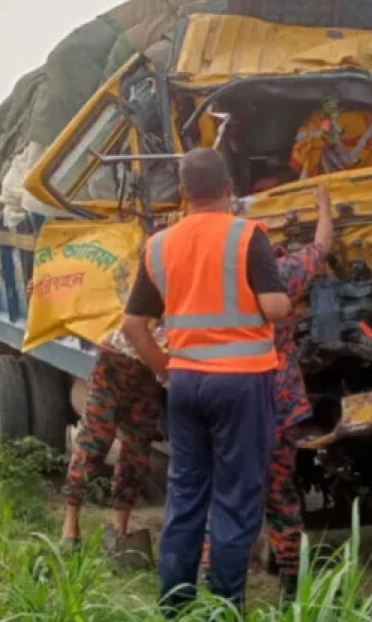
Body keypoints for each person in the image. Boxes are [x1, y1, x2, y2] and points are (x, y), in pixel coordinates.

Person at [122, 146, 291, 613]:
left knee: (184, 495)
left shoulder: (159, 245)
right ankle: (224, 609)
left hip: (186, 382)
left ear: (183, 192)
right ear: (229, 189)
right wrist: (284, 301)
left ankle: (174, 607)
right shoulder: (246, 236)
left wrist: (165, 368)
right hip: (242, 383)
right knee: (235, 499)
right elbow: (274, 306)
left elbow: (133, 326)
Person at [266, 185, 334, 601]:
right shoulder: (282, 274)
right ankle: (291, 581)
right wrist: (324, 208)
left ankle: (219, 585)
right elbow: (321, 247)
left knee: (227, 493)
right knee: (280, 490)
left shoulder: (224, 280)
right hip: (280, 401)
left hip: (234, 400)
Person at [60, 323, 164, 551]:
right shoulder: (147, 297)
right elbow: (131, 322)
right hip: (117, 359)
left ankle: (119, 532)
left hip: (149, 368)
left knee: (137, 450)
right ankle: (69, 528)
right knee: (95, 441)